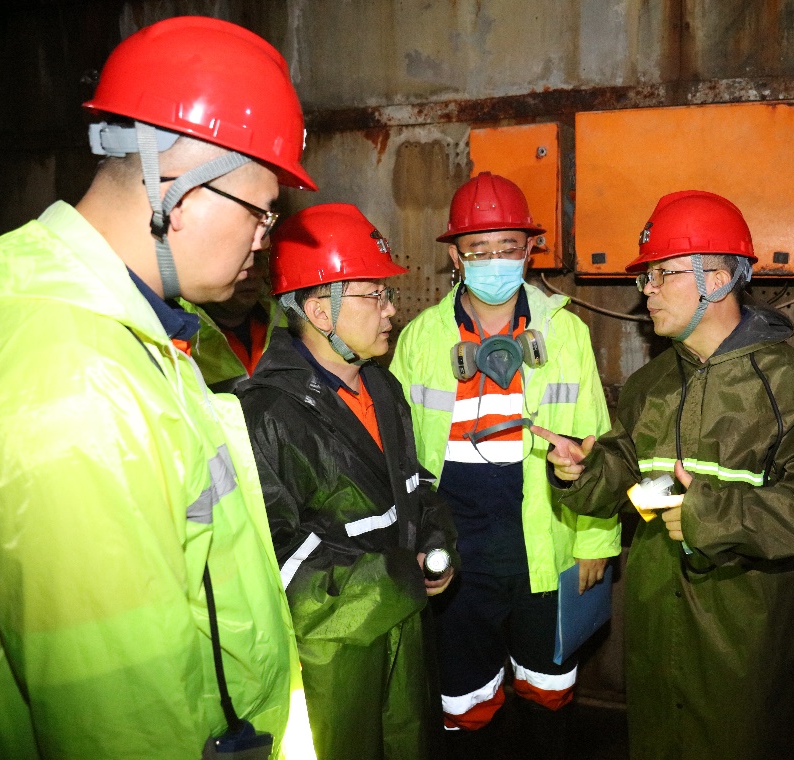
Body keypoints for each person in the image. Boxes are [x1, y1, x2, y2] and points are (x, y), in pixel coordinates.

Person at [0, 16, 315, 759]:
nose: (265, 237)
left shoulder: (121, 328)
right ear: (177, 187)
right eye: (262, 210)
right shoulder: (75, 379)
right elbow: (118, 719)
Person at [538, 190, 794, 760]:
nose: (647, 290)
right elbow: (629, 473)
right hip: (658, 625)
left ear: (718, 279)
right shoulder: (651, 384)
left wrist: (710, 514)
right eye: (647, 277)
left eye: (662, 274)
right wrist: (582, 471)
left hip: (747, 636)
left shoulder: (790, 386)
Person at [389, 172, 618, 758]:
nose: (495, 262)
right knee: (466, 703)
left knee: (548, 693)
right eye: (479, 249)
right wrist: (409, 543)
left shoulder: (566, 333)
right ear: (455, 256)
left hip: (544, 549)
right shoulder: (420, 338)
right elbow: (397, 457)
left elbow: (597, 443)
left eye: (508, 247)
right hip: (456, 557)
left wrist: (595, 539)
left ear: (529, 249)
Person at [237, 203, 458, 760]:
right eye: (374, 295)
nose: (391, 309)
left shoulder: (383, 389)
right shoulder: (265, 415)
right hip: (331, 653)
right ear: (320, 311)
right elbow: (273, 557)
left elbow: (412, 485)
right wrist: (394, 577)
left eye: (387, 294)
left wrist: (436, 539)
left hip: (403, 627)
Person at [184, 244, 285, 393]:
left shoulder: (286, 319)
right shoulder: (176, 330)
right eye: (239, 261)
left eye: (256, 260)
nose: (252, 273)